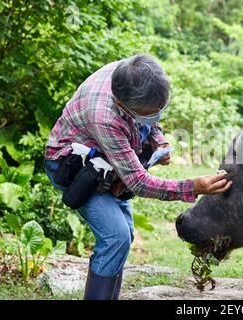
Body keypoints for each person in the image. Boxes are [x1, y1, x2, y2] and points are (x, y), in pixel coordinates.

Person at [43, 54, 232, 300]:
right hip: (74, 166)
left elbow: (149, 117)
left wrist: (157, 139)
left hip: (109, 165)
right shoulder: (105, 116)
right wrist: (194, 186)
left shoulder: (137, 75)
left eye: (160, 110)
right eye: (151, 113)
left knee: (125, 235)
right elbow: (138, 182)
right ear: (122, 105)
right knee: (116, 237)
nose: (157, 116)